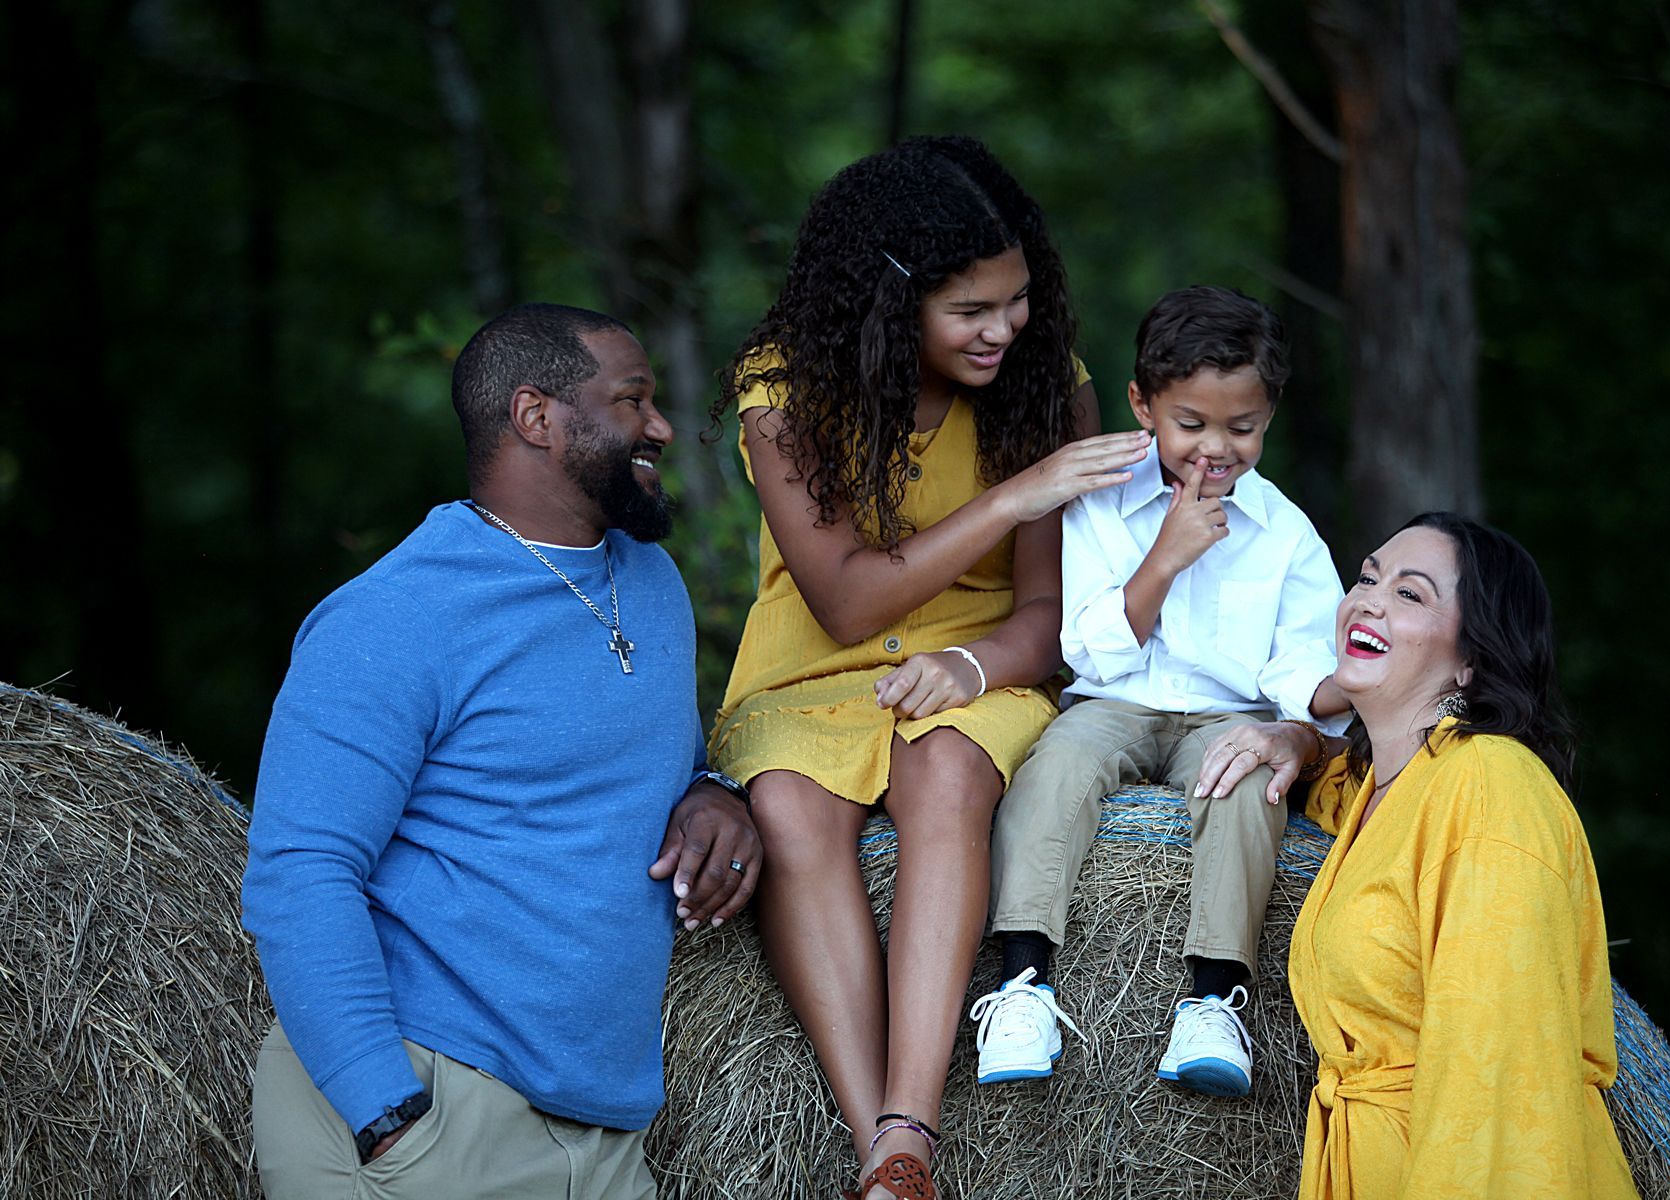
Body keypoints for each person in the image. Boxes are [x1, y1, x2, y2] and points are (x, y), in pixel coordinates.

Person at [707, 136, 1148, 1200]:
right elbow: (846, 598)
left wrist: (970, 664)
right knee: (792, 810)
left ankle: (913, 1123)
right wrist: (1009, 497)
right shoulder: (783, 392)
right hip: (812, 673)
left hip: (982, 663)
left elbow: (1047, 622)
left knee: (948, 777)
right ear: (888, 305)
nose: (1005, 329)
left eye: (1017, 300)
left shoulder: (1050, 388)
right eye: (971, 312)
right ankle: (881, 1155)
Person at [241, 303, 762, 1200]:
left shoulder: (650, 578)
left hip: (605, 1135)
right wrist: (386, 1114)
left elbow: (636, 769)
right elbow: (300, 872)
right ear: (536, 418)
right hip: (431, 1114)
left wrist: (712, 789)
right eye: (633, 400)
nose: (662, 426)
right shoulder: (393, 616)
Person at [971, 285, 1351, 1097]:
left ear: (1269, 418)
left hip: (1228, 714)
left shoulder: (1286, 534)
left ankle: (1214, 1002)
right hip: (1111, 702)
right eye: (1193, 424)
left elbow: (1295, 677)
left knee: (1248, 781)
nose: (1216, 448)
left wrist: (1348, 690)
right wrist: (1166, 557)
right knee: (1055, 770)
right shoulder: (1102, 499)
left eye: (1241, 428)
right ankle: (1022, 985)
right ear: (1142, 404)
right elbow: (1084, 648)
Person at [1191, 512, 1639, 1198]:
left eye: (1410, 593)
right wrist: (1303, 741)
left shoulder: (1492, 788)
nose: (1366, 598)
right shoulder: (1389, 787)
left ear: (1472, 658)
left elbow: (1495, 1078)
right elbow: (1342, 799)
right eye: (1367, 576)